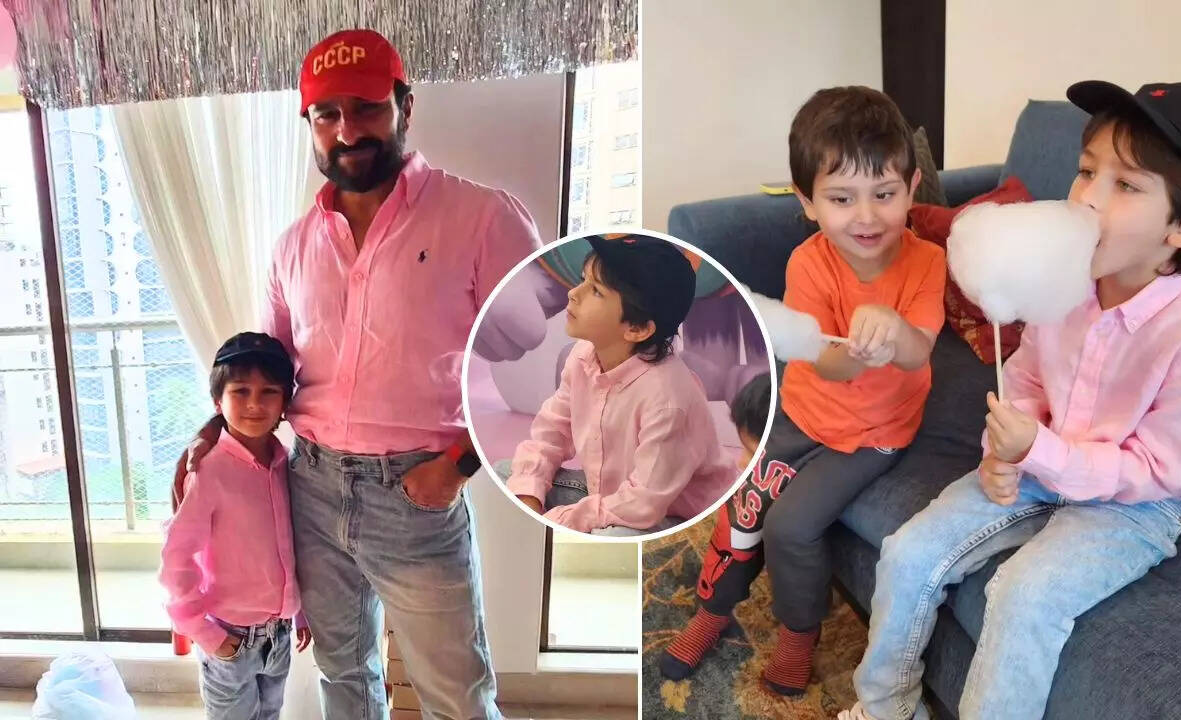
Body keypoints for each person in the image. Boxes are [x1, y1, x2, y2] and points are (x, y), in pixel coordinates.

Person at [843, 81, 1181, 720]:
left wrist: (1042, 451)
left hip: (1136, 502)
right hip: (1040, 460)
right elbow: (1026, 377)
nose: (1086, 198)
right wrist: (1003, 451)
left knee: (1024, 596)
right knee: (908, 551)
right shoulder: (1065, 285)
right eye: (1086, 172)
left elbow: (1158, 469)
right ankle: (883, 706)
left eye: (1125, 184)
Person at [175, 29, 540, 719]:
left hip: (417, 492)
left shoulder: (483, 218)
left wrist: (458, 467)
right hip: (310, 487)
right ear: (310, 124)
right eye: (327, 114)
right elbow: (269, 369)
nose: (348, 131)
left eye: (367, 107)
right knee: (344, 675)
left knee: (457, 697)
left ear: (405, 106)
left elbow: (542, 368)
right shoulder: (293, 246)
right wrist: (210, 431)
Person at [660, 86, 947, 695]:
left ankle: (798, 632)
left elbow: (920, 351)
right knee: (743, 504)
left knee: (790, 527)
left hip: (873, 436)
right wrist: (852, 354)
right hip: (802, 410)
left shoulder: (927, 263)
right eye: (842, 199)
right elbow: (826, 366)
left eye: (884, 194)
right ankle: (713, 609)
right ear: (808, 202)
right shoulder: (808, 264)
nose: (866, 217)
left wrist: (892, 331)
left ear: (913, 188)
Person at [495, 234, 740, 536]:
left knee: (613, 535)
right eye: (583, 280)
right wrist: (530, 499)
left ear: (637, 328)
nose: (573, 294)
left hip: (679, 517)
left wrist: (557, 521)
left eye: (596, 291)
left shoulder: (667, 399)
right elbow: (551, 433)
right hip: (615, 494)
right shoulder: (583, 356)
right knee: (508, 476)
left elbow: (643, 504)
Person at [160, 332, 311, 720]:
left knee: (270, 714)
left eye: (269, 391)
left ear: (285, 404)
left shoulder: (286, 463)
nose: (255, 403)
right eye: (241, 391)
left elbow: (288, 547)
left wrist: (298, 612)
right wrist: (203, 632)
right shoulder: (207, 471)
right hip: (229, 637)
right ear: (218, 402)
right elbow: (177, 556)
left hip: (278, 633)